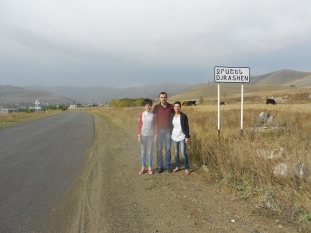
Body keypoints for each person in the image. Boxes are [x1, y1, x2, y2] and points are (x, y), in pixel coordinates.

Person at [153, 92, 174, 173]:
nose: (163, 98)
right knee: (159, 149)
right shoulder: (156, 107)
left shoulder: (171, 107)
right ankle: (160, 166)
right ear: (159, 98)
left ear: (167, 98)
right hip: (159, 131)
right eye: (161, 97)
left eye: (164, 97)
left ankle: (168, 165)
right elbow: (152, 118)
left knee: (168, 149)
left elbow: (176, 116)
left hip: (168, 130)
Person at [137, 99, 157, 175]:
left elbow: (155, 126)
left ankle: (150, 168)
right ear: (144, 106)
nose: (148, 107)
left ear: (151, 106)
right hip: (143, 135)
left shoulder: (154, 115)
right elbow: (139, 126)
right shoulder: (141, 115)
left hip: (150, 136)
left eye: (149, 105)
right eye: (146, 105)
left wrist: (155, 136)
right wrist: (139, 136)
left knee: (149, 152)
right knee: (143, 152)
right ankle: (143, 168)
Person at [171, 101, 190, 175]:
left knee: (183, 153)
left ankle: (187, 168)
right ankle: (177, 167)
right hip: (174, 136)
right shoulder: (172, 115)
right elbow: (170, 126)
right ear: (174, 107)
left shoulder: (183, 116)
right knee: (176, 153)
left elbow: (187, 127)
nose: (177, 108)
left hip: (182, 137)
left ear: (180, 107)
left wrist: (187, 136)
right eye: (175, 106)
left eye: (178, 106)